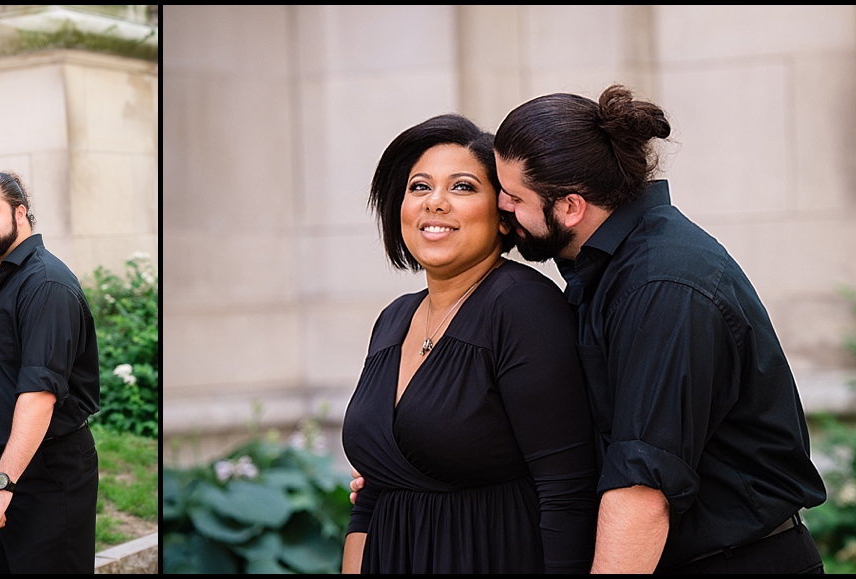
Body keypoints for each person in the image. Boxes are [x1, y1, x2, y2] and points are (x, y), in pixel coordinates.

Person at [491, 84, 829, 573]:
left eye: (514, 196)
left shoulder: (660, 286)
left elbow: (642, 492)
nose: (502, 208)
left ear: (569, 207)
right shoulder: (612, 268)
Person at [340, 114, 599, 574]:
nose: (435, 203)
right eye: (419, 187)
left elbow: (566, 489)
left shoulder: (523, 307)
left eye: (461, 187)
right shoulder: (394, 319)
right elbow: (371, 497)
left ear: (503, 217)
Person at [0, 170, 101, 573]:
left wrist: (3, 484)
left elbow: (39, 395)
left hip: (45, 473)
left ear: (20, 214)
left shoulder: (46, 284)